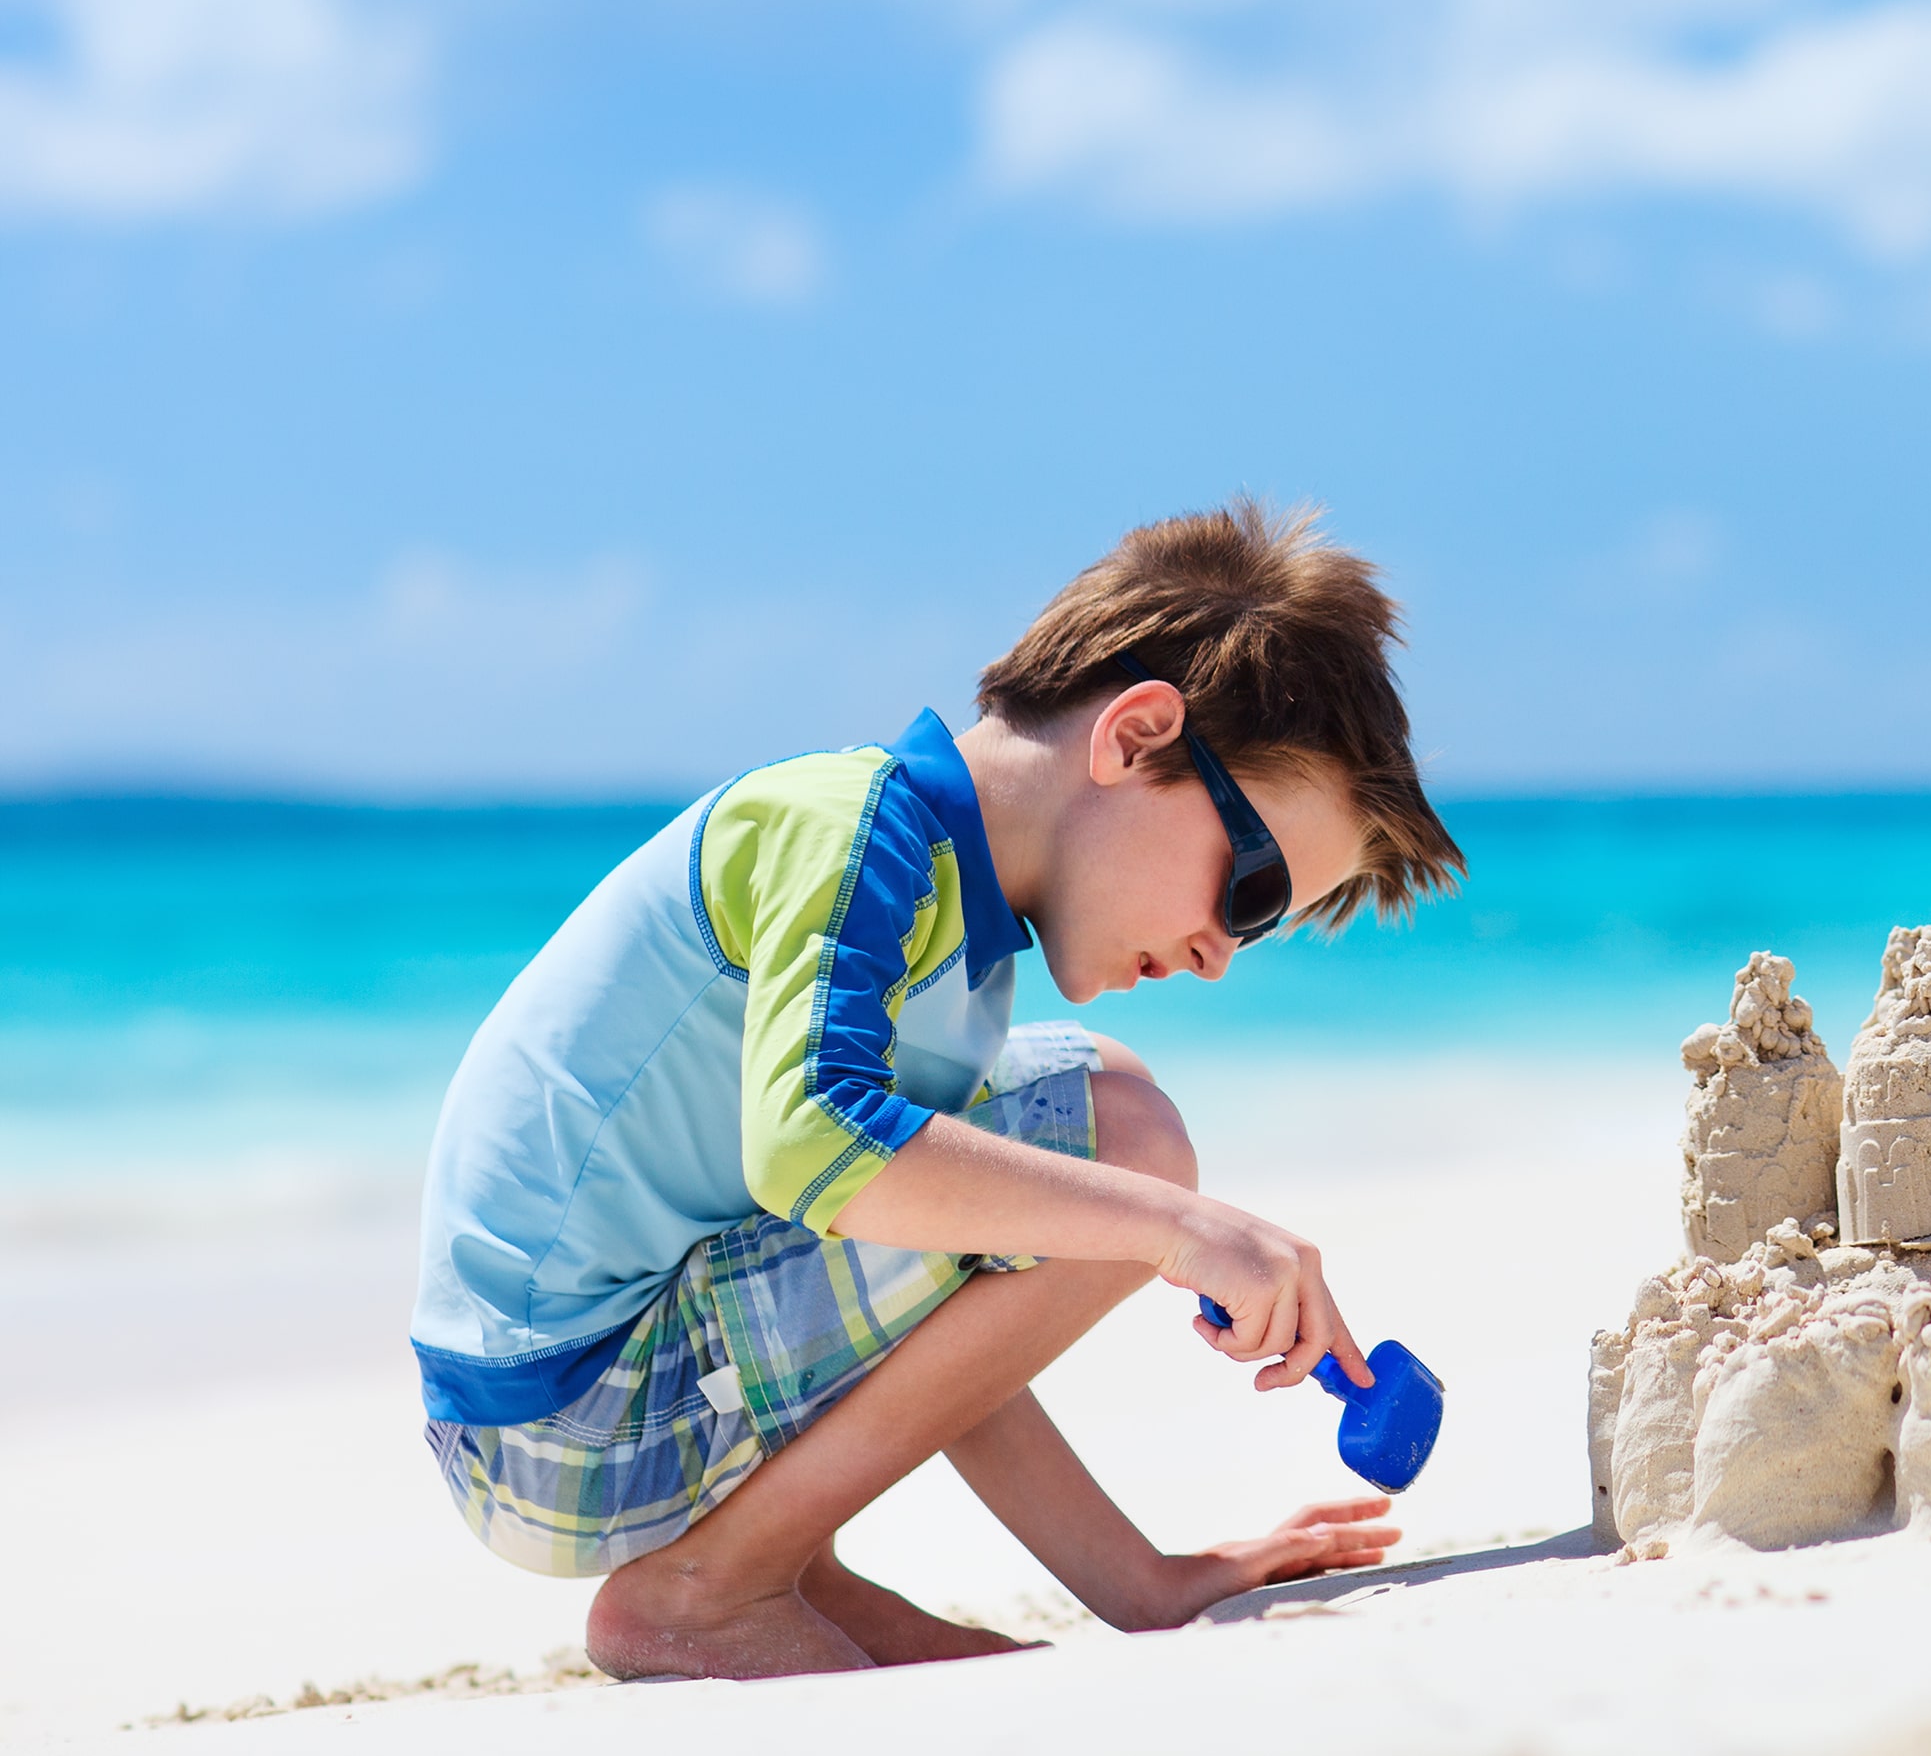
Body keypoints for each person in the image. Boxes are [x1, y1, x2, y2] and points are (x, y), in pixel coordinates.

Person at [410, 501, 1465, 1680]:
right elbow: (811, 1147)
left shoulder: (959, 944)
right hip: (564, 1422)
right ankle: (713, 1586)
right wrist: (1178, 1227)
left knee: (1087, 1121)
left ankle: (786, 1565)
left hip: (604, 1399)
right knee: (1123, 1138)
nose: (1223, 951)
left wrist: (1139, 1581)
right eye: (1252, 890)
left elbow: (939, 1304)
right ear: (1136, 735)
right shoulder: (853, 834)